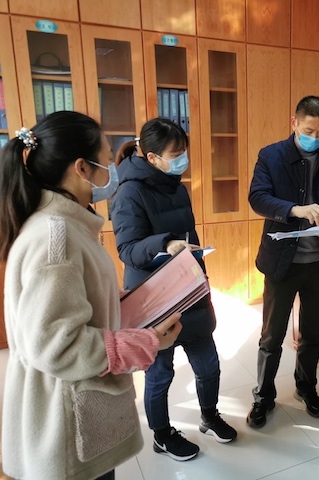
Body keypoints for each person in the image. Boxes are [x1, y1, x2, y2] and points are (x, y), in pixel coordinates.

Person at [0, 111, 182, 480]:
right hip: (66, 427)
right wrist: (148, 342)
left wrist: (123, 303)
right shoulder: (56, 237)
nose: (111, 168)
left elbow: (72, 302)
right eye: (106, 158)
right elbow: (58, 346)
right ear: (82, 168)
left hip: (75, 416)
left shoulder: (67, 225)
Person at [110, 118, 237, 462]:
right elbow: (128, 250)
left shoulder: (176, 186)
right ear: (152, 158)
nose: (183, 159)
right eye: (176, 154)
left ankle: (209, 416)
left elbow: (187, 237)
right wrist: (164, 243)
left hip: (188, 289)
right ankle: (162, 436)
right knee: (160, 373)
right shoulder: (129, 193)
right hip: (155, 298)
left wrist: (196, 262)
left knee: (208, 365)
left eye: (184, 152)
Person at [247, 95, 319, 428]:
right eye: (309, 131)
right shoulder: (271, 155)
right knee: (271, 336)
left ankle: (306, 387)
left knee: (312, 333)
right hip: (282, 263)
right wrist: (295, 210)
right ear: (294, 123)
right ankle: (263, 396)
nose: (315, 138)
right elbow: (257, 198)